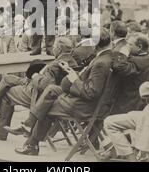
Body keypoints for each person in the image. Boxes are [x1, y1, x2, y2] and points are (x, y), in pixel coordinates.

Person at [12, 28, 112, 156]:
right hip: (94, 103)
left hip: (85, 107)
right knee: (51, 90)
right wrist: (70, 71)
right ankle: (28, 127)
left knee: (47, 106)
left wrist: (75, 80)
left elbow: (92, 92)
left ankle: (32, 144)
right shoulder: (107, 57)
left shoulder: (100, 63)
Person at [0, 37, 78, 141]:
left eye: (54, 47)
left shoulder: (56, 64)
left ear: (58, 49)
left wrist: (35, 76)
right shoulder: (73, 62)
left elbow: (44, 86)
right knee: (7, 79)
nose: (53, 49)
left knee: (7, 94)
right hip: (58, 96)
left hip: (40, 97)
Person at [110, 33, 149, 115]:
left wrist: (123, 53)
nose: (127, 46)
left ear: (139, 47)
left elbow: (118, 66)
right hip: (140, 104)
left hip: (125, 105)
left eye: (130, 44)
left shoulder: (136, 61)